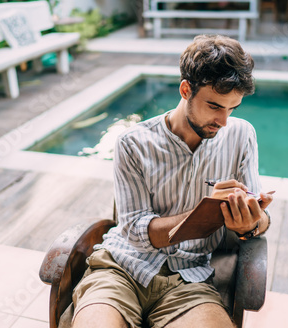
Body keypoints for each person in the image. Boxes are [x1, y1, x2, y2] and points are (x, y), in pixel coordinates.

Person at [69, 34, 273, 328]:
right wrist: (204, 212)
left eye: (232, 109)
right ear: (186, 89)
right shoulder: (133, 142)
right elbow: (136, 231)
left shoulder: (242, 136)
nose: (224, 121)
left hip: (190, 280)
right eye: (214, 106)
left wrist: (252, 224)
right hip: (121, 269)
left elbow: (260, 218)